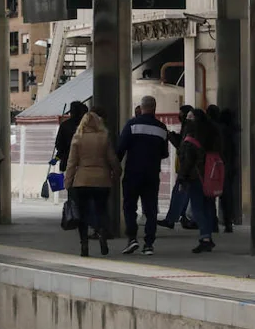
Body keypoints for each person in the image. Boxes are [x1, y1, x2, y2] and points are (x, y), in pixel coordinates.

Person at [117, 95, 169, 255]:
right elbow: (164, 153)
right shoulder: (162, 128)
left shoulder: (132, 125)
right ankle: (149, 244)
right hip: (152, 174)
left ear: (141, 107)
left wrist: (114, 167)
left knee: (129, 206)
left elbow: (121, 148)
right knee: (150, 209)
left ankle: (132, 238)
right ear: (154, 107)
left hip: (133, 172)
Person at [65, 111, 120, 257]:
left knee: (82, 214)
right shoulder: (104, 137)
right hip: (102, 181)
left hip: (82, 180)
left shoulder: (78, 138)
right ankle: (101, 232)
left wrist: (68, 181)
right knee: (101, 209)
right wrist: (117, 172)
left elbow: (72, 162)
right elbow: (112, 159)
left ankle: (84, 244)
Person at [177, 108, 218, 253]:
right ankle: (208, 235)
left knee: (197, 208)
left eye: (189, 117)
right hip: (210, 176)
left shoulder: (190, 139)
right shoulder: (211, 134)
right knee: (208, 206)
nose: (186, 119)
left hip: (196, 178)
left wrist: (182, 179)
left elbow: (187, 162)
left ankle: (205, 238)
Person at [159, 104, 199, 230]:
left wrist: (170, 136)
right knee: (188, 195)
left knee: (180, 192)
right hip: (192, 168)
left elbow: (182, 146)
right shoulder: (193, 127)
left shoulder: (188, 127)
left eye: (181, 113)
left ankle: (172, 219)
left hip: (188, 168)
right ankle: (185, 218)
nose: (179, 115)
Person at [55, 101, 88, 173]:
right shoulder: (87, 126)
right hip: (84, 164)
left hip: (67, 163)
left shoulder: (65, 125)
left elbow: (59, 145)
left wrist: (57, 157)